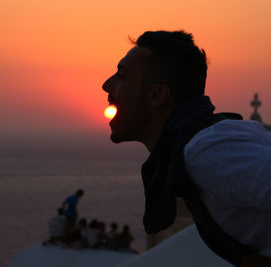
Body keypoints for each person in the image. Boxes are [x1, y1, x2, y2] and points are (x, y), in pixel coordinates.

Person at [102, 30, 271, 266]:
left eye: (121, 75)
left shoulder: (207, 150)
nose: (106, 85)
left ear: (157, 95)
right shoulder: (205, 143)